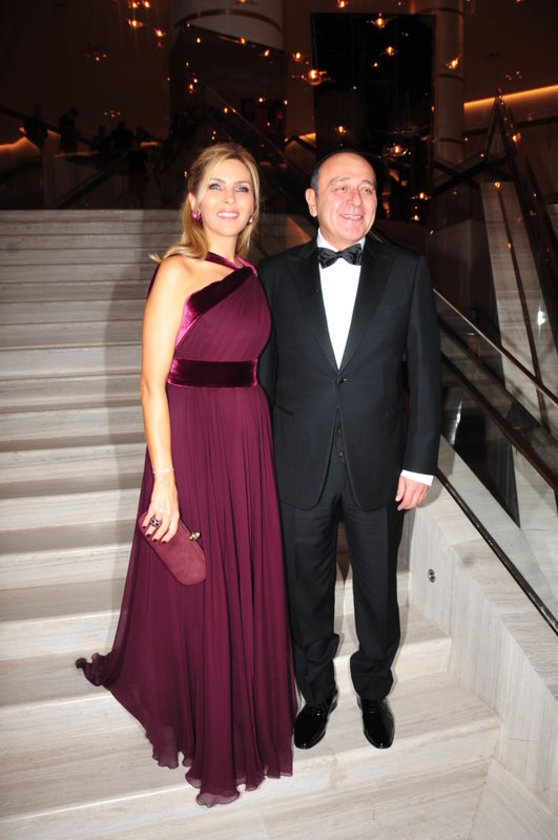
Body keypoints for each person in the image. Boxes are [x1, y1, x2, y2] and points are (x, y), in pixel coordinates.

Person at [76, 142, 296, 806]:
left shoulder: (251, 273)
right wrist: (166, 479)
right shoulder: (177, 270)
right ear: (194, 200)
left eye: (243, 188)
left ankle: (242, 705)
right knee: (202, 583)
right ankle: (207, 724)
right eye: (217, 187)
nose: (231, 199)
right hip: (192, 442)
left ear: (254, 205)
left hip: (246, 435)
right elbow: (151, 383)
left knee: (238, 574)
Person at [258, 149, 441, 753]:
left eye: (366, 188)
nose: (355, 200)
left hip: (381, 463)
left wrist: (419, 462)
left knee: (377, 586)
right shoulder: (274, 274)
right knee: (305, 587)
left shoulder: (407, 270)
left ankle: (372, 689)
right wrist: (258, 461)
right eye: (340, 187)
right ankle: (315, 692)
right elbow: (263, 377)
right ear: (312, 200)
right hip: (297, 461)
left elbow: (426, 373)